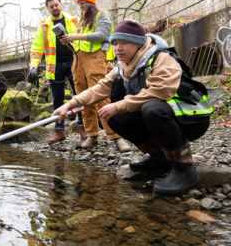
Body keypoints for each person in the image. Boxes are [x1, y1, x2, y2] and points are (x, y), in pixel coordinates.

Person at [53, 20, 213, 197]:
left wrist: (119, 105)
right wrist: (68, 105)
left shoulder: (161, 57)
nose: (118, 48)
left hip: (191, 119)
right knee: (112, 116)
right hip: (165, 116)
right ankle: (159, 157)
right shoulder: (121, 68)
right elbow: (97, 90)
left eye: (124, 43)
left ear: (139, 43)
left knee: (151, 108)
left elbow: (161, 92)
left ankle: (185, 169)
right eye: (114, 43)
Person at [59, 0, 130, 152]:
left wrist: (74, 36)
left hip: (94, 59)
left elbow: (102, 35)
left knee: (101, 97)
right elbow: (80, 41)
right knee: (82, 99)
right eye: (80, 5)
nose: (81, 7)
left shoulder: (102, 15)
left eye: (83, 4)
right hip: (78, 60)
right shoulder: (82, 21)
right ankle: (92, 134)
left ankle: (116, 136)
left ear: (90, 3)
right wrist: (68, 41)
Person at [30, 0, 85, 144]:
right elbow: (36, 48)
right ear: (47, 9)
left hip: (74, 62)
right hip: (54, 67)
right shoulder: (44, 26)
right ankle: (59, 132)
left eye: (56, 5)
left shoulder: (74, 20)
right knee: (57, 100)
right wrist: (33, 66)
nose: (55, 8)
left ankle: (83, 129)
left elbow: (84, 36)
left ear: (60, 4)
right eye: (51, 6)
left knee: (79, 96)